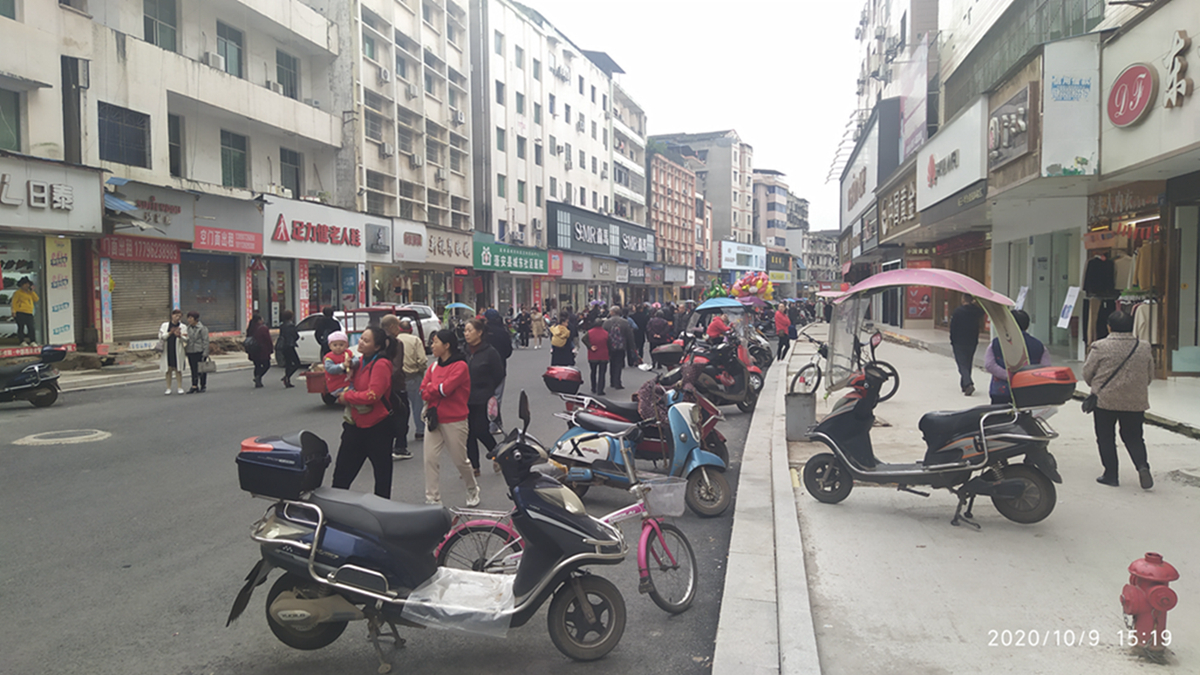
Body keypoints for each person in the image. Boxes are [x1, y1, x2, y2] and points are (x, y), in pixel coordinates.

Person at [1083, 311, 1155, 489]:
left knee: (1106, 437)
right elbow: (1150, 374)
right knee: (1134, 436)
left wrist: (1095, 385)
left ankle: (1111, 475)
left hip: (1105, 400)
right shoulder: (1144, 347)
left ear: (1109, 327)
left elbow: (1087, 372)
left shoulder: (1100, 346)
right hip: (1135, 400)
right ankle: (1142, 466)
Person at [330, 326, 397, 499]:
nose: (360, 342)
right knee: (341, 476)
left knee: (382, 477)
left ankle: (381, 510)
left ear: (377, 347)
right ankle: (335, 509)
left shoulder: (381, 364)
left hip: (378, 427)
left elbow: (373, 395)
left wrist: (347, 396)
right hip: (355, 425)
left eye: (366, 341)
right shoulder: (359, 361)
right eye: (361, 338)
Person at [420, 329, 478, 506]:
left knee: (460, 460)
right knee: (430, 459)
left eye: (435, 342)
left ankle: (472, 488)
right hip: (433, 419)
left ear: (446, 345)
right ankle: (432, 498)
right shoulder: (433, 367)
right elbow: (423, 391)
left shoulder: (460, 366)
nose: (432, 345)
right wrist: (434, 388)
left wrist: (432, 388)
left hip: (455, 419)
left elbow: (445, 390)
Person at [463, 318, 504, 476]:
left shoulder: (490, 352)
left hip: (482, 397)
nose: (466, 334)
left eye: (470, 330)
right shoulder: (464, 351)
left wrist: (488, 388)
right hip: (465, 397)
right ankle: (474, 466)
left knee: (480, 430)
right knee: (468, 433)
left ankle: (496, 453)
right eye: (465, 331)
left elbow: (499, 374)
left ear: (479, 333)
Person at [984, 309, 1050, 405]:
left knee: (1000, 413)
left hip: (1001, 391)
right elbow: (1046, 368)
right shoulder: (1039, 345)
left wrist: (1009, 376)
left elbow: (989, 365)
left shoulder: (997, 343)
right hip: (1029, 391)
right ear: (1027, 325)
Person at [381, 314, 413, 461]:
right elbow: (396, 366)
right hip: (396, 385)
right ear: (393, 327)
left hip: (380, 385)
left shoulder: (378, 341)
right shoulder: (396, 343)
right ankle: (400, 446)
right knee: (402, 414)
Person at [394, 317, 429, 448]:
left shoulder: (395, 340)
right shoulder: (415, 340)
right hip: (413, 376)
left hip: (397, 378)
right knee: (417, 405)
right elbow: (422, 360)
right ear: (411, 329)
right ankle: (420, 431)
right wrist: (421, 371)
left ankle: (398, 434)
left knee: (400, 408)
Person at [949, 295, 986, 396]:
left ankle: (968, 384)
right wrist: (975, 303)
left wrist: (952, 339)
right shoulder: (976, 311)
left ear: (963, 300)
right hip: (972, 341)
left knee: (962, 364)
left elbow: (953, 327)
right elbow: (982, 311)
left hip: (959, 341)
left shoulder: (958, 311)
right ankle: (964, 385)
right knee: (968, 362)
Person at [483, 308, 513, 433]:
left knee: (484, 395)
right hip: (500, 367)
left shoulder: (483, 332)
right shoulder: (503, 331)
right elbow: (508, 351)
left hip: (483, 367)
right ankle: (493, 424)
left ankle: (484, 423)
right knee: (496, 397)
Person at [603, 306, 633, 390]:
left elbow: (603, 335)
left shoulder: (606, 322)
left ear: (612, 312)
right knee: (618, 364)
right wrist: (632, 347)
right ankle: (617, 382)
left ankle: (612, 381)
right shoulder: (624, 322)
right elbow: (629, 335)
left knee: (612, 363)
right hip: (621, 346)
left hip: (610, 346)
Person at [159, 309, 188, 395]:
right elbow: (161, 337)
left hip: (178, 350)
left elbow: (186, 339)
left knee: (178, 369)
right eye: (176, 316)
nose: (177, 318)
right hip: (167, 349)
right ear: (172, 315)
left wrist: (179, 336)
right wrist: (170, 333)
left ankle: (179, 387)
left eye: (179, 316)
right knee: (168, 369)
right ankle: (168, 388)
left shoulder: (183, 326)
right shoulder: (165, 325)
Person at [582, 318, 611, 395]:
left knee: (593, 372)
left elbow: (583, 339)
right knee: (602, 373)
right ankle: (600, 389)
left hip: (593, 355)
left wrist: (590, 346)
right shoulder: (606, 333)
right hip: (603, 355)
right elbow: (609, 344)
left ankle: (593, 387)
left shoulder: (589, 332)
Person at [183, 311, 210, 394]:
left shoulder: (202, 328)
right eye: (188, 318)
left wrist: (205, 352)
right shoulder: (188, 328)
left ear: (196, 319)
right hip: (190, 351)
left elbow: (205, 341)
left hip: (199, 351)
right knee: (193, 369)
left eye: (191, 318)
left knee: (201, 369)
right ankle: (194, 385)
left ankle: (203, 385)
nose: (189, 320)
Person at [245, 314, 273, 388]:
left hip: (253, 350)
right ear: (259, 320)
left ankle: (258, 381)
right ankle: (258, 377)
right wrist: (271, 349)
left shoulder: (250, 328)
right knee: (266, 365)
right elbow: (268, 340)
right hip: (262, 350)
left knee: (257, 365)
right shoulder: (263, 328)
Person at [276, 309, 302, 388]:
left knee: (288, 363)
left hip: (283, 346)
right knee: (297, 363)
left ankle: (287, 380)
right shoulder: (291, 326)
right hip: (290, 346)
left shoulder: (282, 326)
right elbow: (296, 336)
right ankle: (287, 376)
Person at [11, 277, 38, 346]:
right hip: (20, 312)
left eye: (28, 284)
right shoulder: (17, 293)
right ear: (21, 285)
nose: (27, 286)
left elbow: (36, 299)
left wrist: (32, 291)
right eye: (25, 284)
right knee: (21, 327)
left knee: (31, 327)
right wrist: (13, 311)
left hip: (29, 312)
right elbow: (14, 302)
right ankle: (22, 341)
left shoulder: (30, 293)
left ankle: (32, 341)